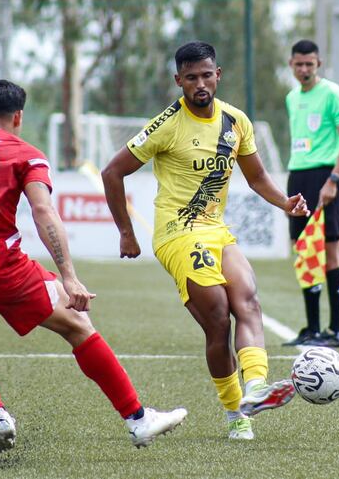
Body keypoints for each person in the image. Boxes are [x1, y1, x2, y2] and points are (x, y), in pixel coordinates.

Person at [0, 80, 187, 454]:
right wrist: (69, 277)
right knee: (77, 325)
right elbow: (43, 210)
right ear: (18, 117)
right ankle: (139, 419)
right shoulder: (24, 152)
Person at [101, 42, 309, 441]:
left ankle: (256, 390)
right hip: (177, 233)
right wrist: (126, 232)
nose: (200, 83)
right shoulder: (166, 125)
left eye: (206, 75)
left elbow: (257, 176)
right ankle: (235, 415)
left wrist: (285, 203)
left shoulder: (236, 121)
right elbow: (112, 172)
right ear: (178, 80)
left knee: (247, 298)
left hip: (216, 229)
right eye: (191, 77)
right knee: (218, 317)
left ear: (219, 75)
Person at [281, 39, 339, 348]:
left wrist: (333, 179)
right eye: (298, 64)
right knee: (303, 251)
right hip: (297, 176)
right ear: (291, 65)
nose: (304, 70)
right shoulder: (291, 98)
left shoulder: (332, 93)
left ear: (319, 64)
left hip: (324, 177)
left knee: (328, 252)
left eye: (309, 64)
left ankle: (335, 331)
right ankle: (312, 329)